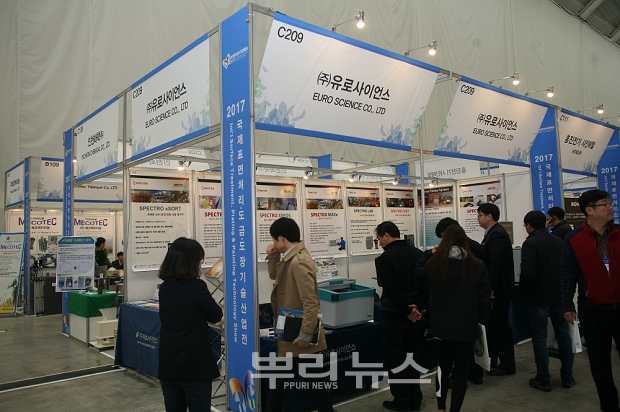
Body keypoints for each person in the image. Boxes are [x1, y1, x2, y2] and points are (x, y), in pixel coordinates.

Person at [417, 225, 491, 412]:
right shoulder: (477, 265)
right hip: (467, 325)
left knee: (442, 368)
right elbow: (484, 298)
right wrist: (481, 320)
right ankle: (454, 409)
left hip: (441, 325)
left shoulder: (435, 264)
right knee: (461, 372)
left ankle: (441, 407)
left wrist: (429, 253)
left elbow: (419, 272)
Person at [266, 217, 334, 412]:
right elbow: (275, 276)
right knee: (283, 384)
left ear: (281, 238)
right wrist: (273, 256)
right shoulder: (290, 257)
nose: (273, 243)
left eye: (274, 239)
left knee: (312, 386)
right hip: (289, 331)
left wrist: (305, 334)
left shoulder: (299, 261)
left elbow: (311, 301)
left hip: (298, 333)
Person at [561, 189, 620, 411]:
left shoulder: (619, 234)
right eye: (605, 204)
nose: (610, 207)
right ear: (589, 210)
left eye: (609, 203)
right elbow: (567, 275)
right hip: (593, 310)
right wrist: (567, 305)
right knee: (600, 365)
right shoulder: (574, 239)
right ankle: (609, 406)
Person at [158, 237, 223, 412]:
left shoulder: (164, 288)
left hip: (169, 362)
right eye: (199, 260)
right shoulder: (196, 287)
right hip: (194, 364)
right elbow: (215, 314)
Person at [520, 211, 574, 392]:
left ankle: (543, 378)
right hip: (559, 296)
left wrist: (524, 289)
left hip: (538, 298)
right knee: (563, 335)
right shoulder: (559, 242)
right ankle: (567, 376)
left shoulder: (530, 243)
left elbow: (528, 272)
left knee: (539, 337)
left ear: (529, 226)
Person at [374, 221, 425, 411]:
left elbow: (390, 289)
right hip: (416, 315)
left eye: (379, 239)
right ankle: (415, 398)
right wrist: (417, 307)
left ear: (387, 235)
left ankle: (402, 399)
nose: (379, 243)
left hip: (395, 315)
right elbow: (426, 285)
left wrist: (406, 310)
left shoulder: (385, 258)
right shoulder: (418, 253)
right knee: (413, 356)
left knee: (397, 358)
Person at [477, 203, 516, 376]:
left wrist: (491, 288)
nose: (478, 218)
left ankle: (506, 364)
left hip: (499, 291)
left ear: (489, 216)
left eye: (480, 215)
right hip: (498, 289)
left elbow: (495, 264)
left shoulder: (497, 234)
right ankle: (494, 361)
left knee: (500, 327)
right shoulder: (492, 233)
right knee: (495, 327)